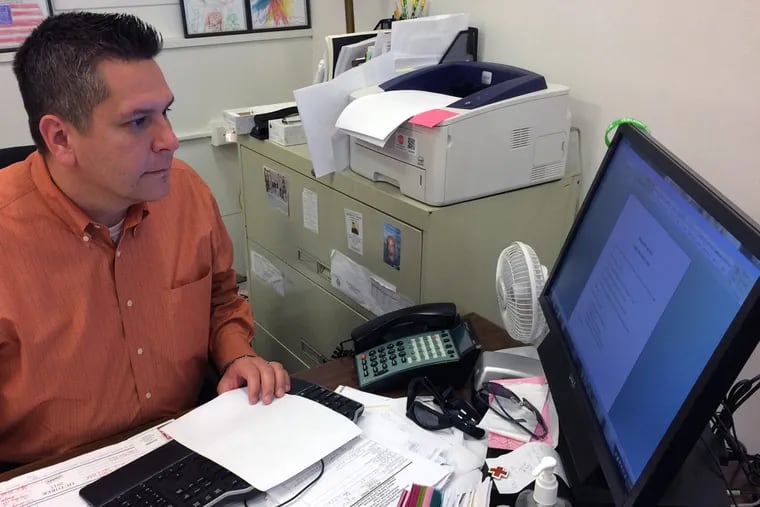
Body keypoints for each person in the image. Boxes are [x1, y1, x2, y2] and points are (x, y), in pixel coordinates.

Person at [0, 12, 289, 467]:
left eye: (165, 112)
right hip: (51, 478)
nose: (171, 140)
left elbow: (221, 298)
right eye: (138, 122)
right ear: (60, 138)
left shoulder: (185, 191)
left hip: (192, 444)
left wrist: (236, 356)